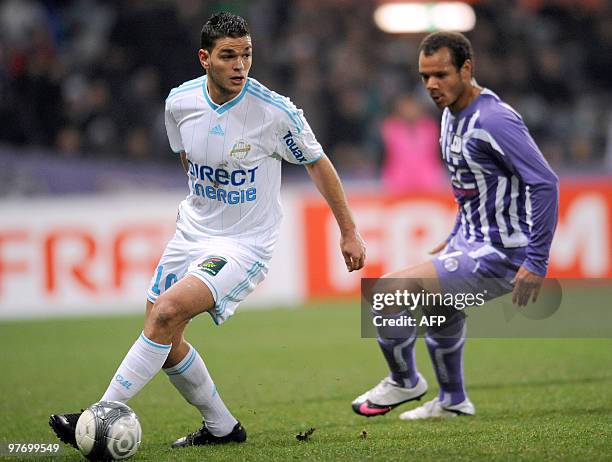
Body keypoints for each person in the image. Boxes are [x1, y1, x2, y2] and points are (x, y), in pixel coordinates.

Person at [49, 12, 366, 449]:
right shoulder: (180, 103)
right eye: (229, 56)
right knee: (164, 334)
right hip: (191, 233)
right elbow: (186, 157)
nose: (240, 65)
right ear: (205, 58)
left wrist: (349, 231)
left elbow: (317, 162)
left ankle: (98, 414)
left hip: (245, 244)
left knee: (165, 313)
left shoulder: (274, 113)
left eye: (247, 55)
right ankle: (222, 428)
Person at [352, 31, 558, 420]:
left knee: (388, 293)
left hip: (501, 253)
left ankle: (404, 379)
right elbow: (474, 187)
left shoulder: (494, 120)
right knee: (440, 312)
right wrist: (457, 231)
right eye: (424, 76)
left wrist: (537, 261)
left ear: (467, 68)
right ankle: (453, 401)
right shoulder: (449, 114)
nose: (431, 85)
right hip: (470, 240)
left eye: (441, 74)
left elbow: (544, 182)